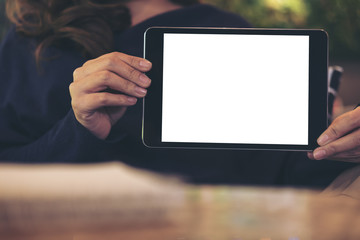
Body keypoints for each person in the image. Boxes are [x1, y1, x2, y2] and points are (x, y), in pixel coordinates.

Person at [0, 0, 356, 188]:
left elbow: (283, 170)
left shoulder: (230, 29)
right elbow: (9, 168)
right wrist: (79, 128)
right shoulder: (31, 38)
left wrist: (341, 146)